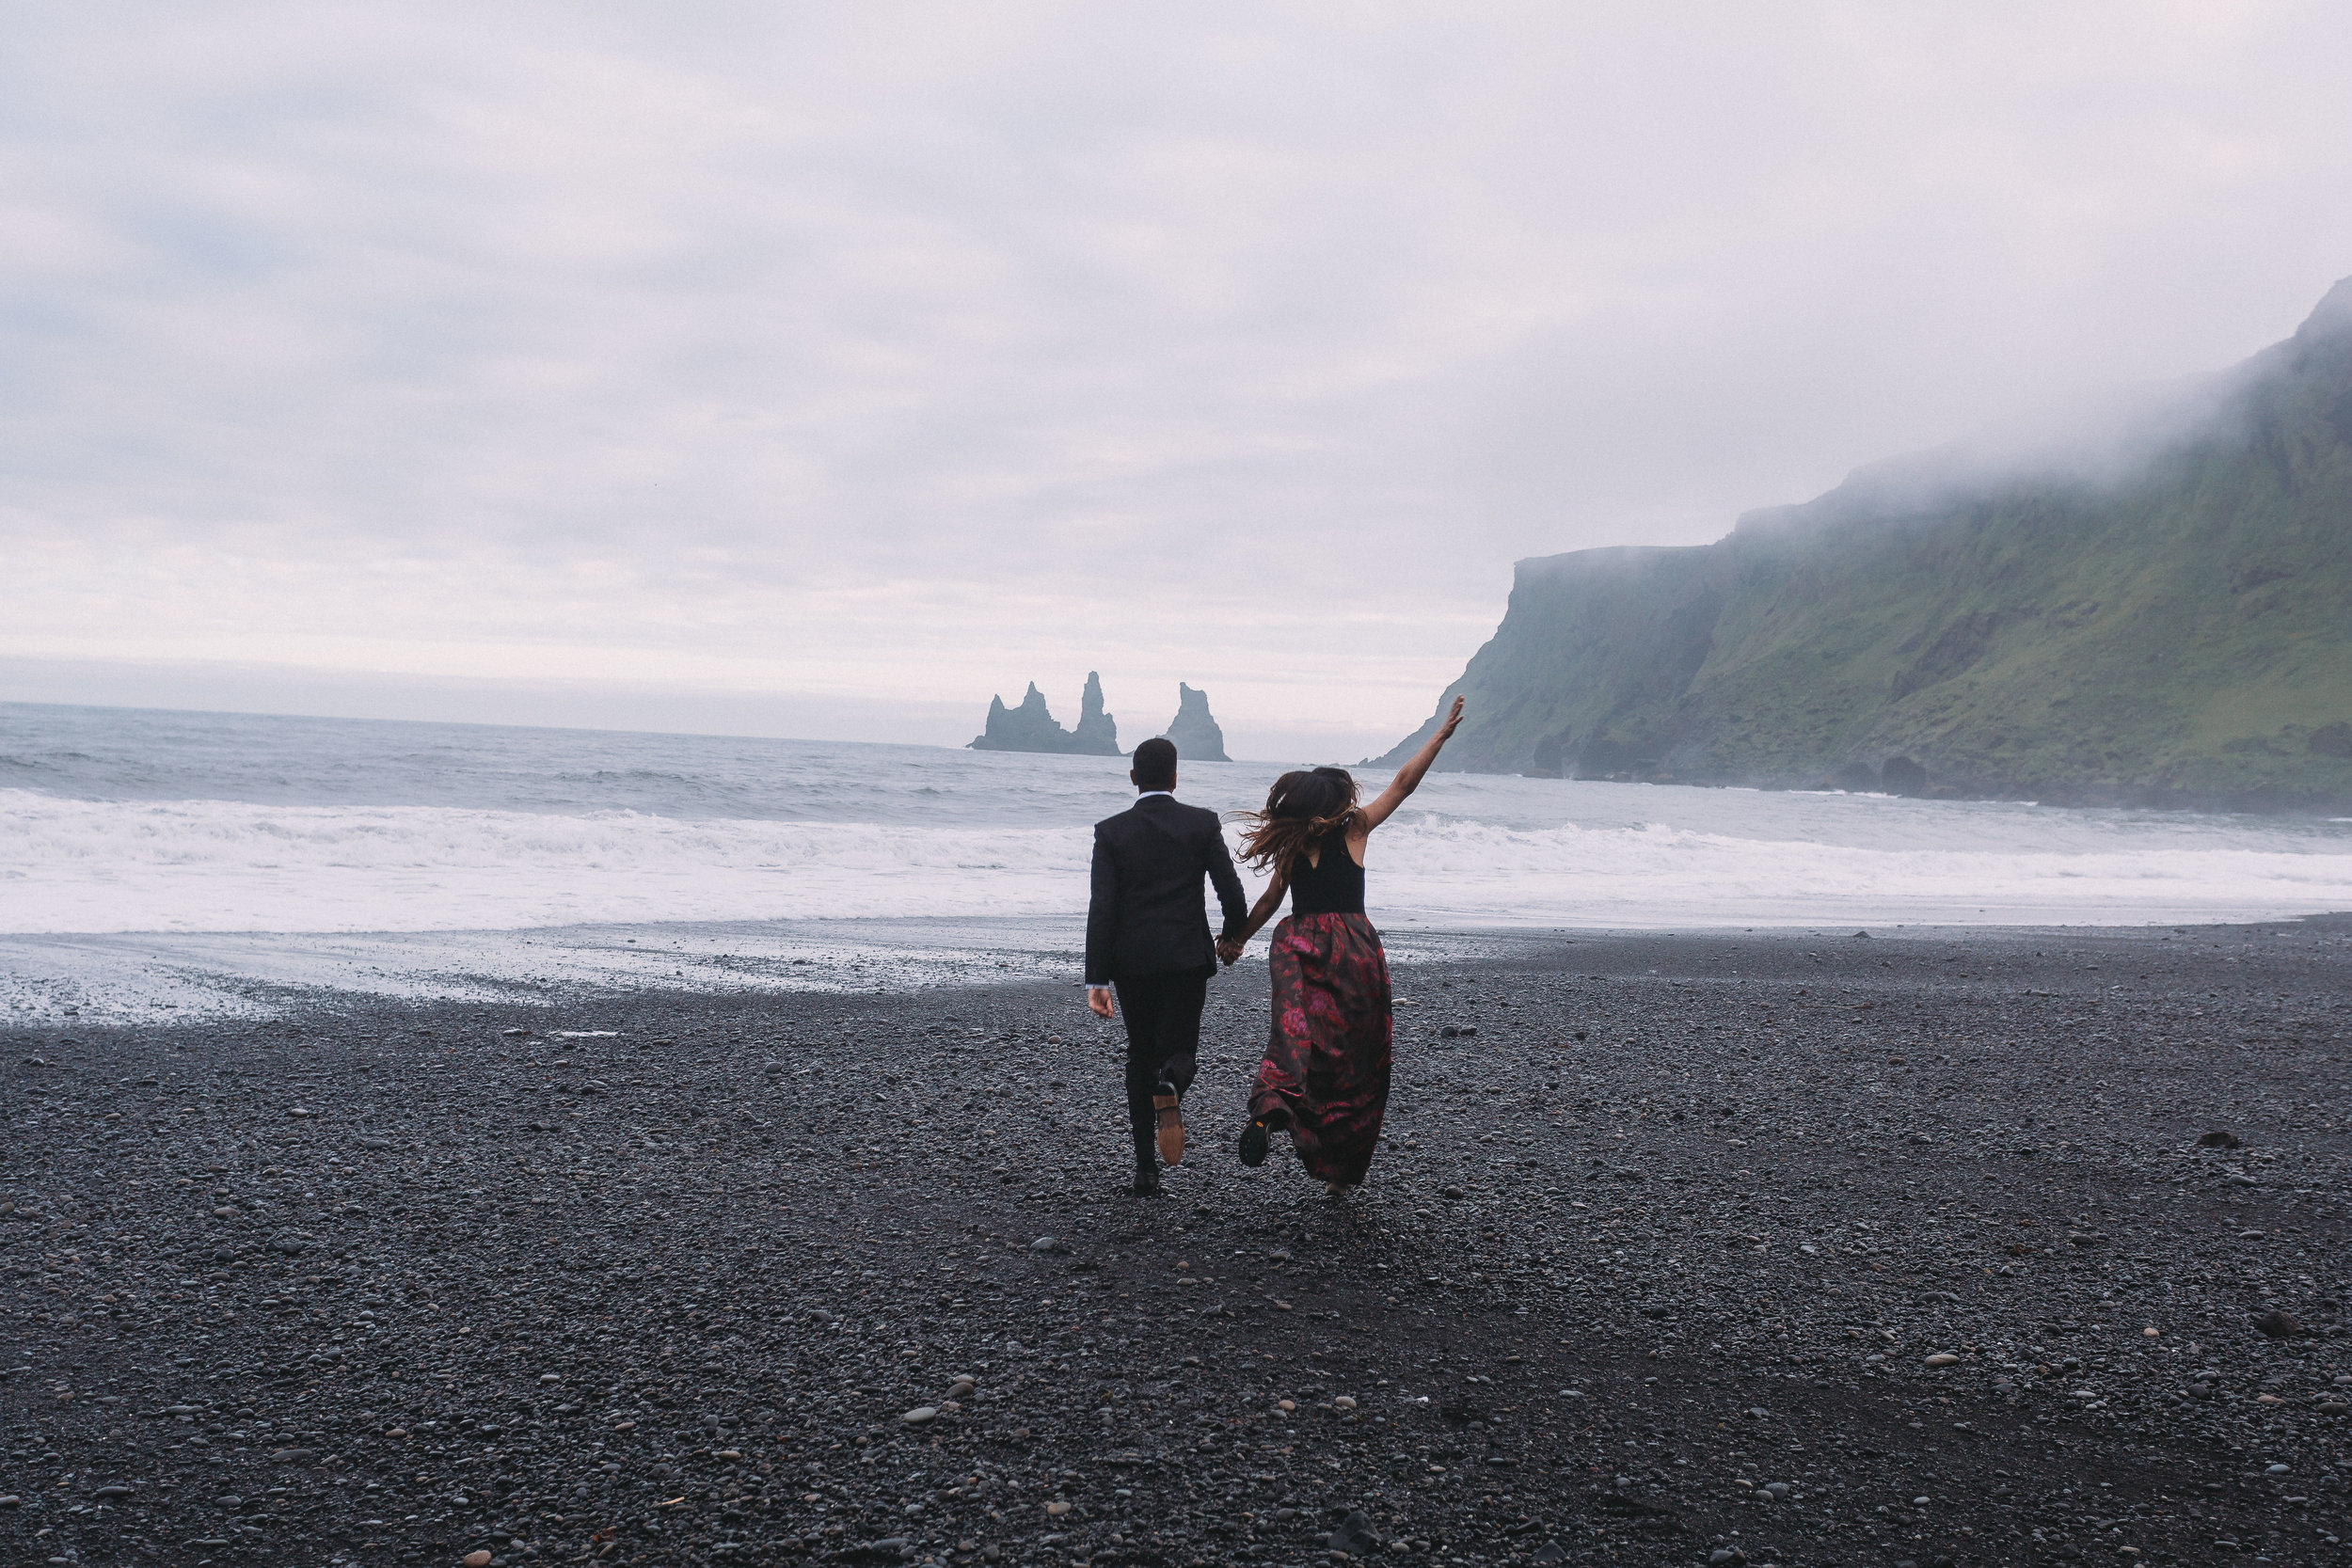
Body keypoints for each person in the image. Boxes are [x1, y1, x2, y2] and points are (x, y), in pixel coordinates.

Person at [1217, 695, 1465, 1196]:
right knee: (1356, 1053)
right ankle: (1340, 1171)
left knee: (1294, 1030)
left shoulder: (1291, 845)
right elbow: (1402, 785)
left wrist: (1237, 939)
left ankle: (1273, 1103)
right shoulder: (1355, 828)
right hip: (1352, 946)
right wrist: (1437, 739)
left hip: (1298, 943)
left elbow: (1268, 903)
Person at [1084, 736, 1250, 1196]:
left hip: (1132, 963)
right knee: (1181, 1050)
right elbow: (1230, 892)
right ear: (1176, 777)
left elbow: (1103, 909)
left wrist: (1096, 977)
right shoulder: (1200, 824)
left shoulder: (1111, 831)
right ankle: (1172, 1083)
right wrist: (1230, 936)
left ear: (1133, 777)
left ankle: (1145, 1172)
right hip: (1184, 959)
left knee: (1139, 1055)